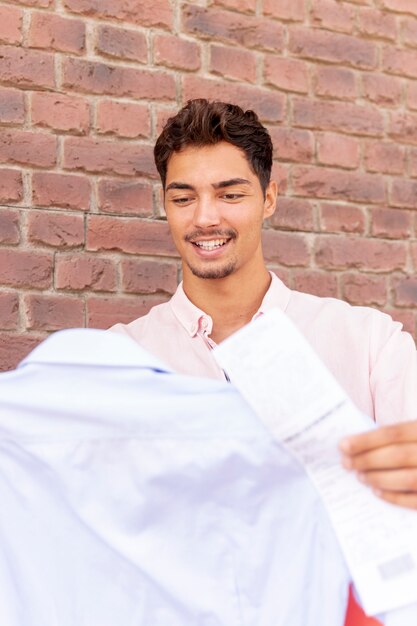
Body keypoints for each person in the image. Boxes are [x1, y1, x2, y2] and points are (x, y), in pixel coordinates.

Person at [110, 99, 417, 511]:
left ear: (268, 199)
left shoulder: (370, 344)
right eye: (183, 199)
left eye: (230, 194)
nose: (204, 218)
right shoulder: (121, 360)